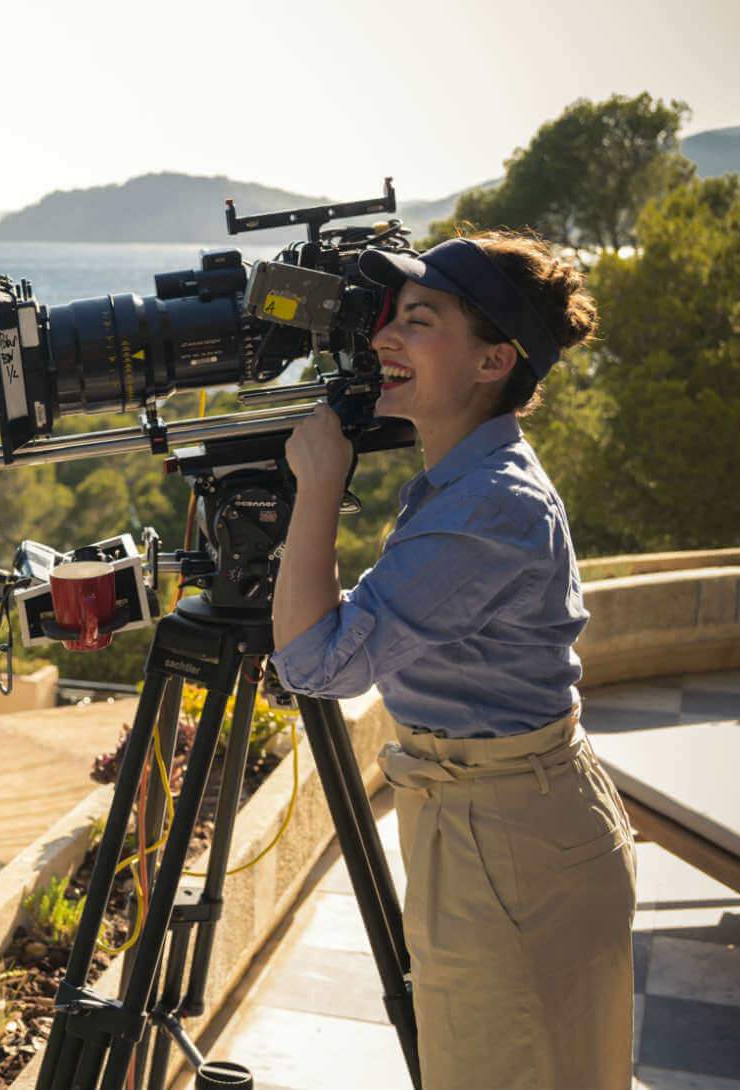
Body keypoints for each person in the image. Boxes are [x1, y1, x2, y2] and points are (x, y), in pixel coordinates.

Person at [271, 230, 635, 1089]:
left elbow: (318, 664)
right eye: (390, 319)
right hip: (493, 823)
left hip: (508, 838)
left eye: (418, 321)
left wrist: (318, 485)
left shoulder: (488, 508)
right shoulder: (462, 487)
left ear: (493, 361)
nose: (382, 340)